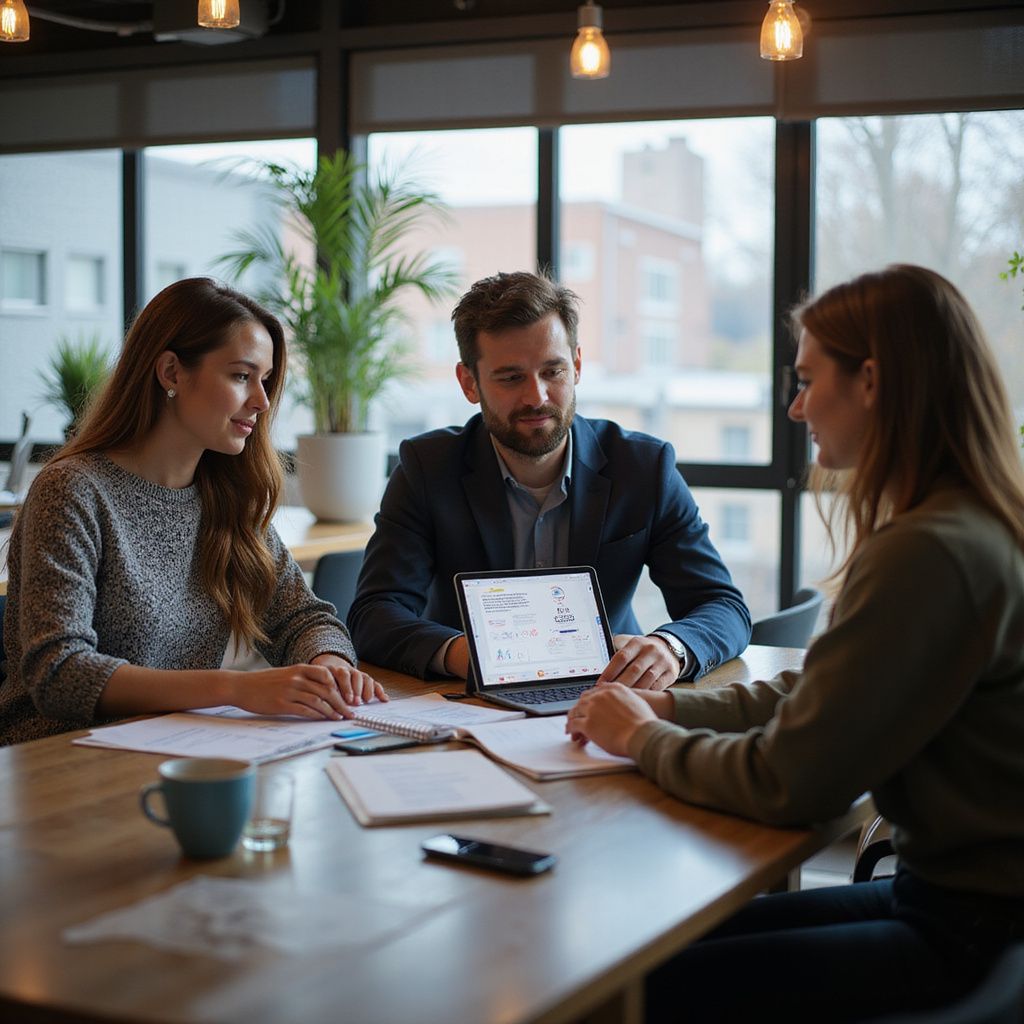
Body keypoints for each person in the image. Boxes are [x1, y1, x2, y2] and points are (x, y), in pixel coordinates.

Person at [565, 264, 1024, 1021]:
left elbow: (793, 783)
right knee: (659, 949)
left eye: (810, 380)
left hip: (969, 931)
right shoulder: (963, 523)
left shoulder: (930, 551)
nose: (795, 405)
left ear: (871, 381)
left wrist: (645, 739)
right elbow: (821, 691)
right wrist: (668, 708)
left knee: (637, 984)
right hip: (957, 905)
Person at [1, 278, 385, 746]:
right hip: (57, 761)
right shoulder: (73, 490)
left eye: (264, 381)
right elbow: (60, 673)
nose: (262, 402)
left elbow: (303, 618)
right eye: (242, 376)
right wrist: (237, 688)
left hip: (170, 750)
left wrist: (331, 666)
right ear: (171, 372)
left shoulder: (225, 499)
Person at [348, 270, 750, 686]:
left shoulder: (644, 467)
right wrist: (464, 655)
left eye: (552, 371)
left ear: (576, 366)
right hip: (468, 700)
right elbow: (375, 614)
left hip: (609, 690)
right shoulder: (427, 468)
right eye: (510, 377)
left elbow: (723, 606)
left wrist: (671, 647)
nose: (537, 397)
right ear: (469, 382)